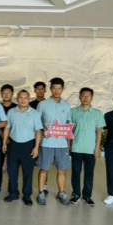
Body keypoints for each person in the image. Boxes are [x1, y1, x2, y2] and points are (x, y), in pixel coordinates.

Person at [2, 90, 42, 206]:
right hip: (13, 145)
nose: (23, 100)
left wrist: (36, 148)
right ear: (17, 99)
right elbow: (7, 128)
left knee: (28, 172)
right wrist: (4, 143)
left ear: (29, 99)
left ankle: (27, 195)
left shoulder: (35, 113)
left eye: (26, 98)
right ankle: (13, 193)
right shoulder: (11, 112)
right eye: (21, 98)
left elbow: (38, 132)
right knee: (12, 171)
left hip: (28, 145)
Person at [37, 78, 72, 206]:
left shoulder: (66, 105)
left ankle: (61, 193)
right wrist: (44, 129)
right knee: (44, 169)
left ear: (62, 89)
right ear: (50, 89)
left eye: (59, 88)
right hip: (47, 143)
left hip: (62, 144)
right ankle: (41, 192)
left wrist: (68, 136)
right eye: (54, 88)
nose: (56, 91)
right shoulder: (43, 104)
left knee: (62, 170)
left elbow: (68, 121)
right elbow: (37, 121)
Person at [70, 88, 106, 206]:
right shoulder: (72, 112)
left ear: (92, 98)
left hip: (90, 149)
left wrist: (97, 148)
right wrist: (69, 146)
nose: (85, 98)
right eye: (83, 96)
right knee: (76, 172)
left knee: (89, 173)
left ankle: (87, 196)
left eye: (88, 96)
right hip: (76, 147)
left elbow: (99, 131)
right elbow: (69, 130)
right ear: (79, 97)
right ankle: (76, 194)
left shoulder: (97, 113)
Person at [0, 84, 17, 194]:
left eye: (9, 93)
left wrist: (9, 137)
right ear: (1, 94)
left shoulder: (16, 108)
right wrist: (4, 136)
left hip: (13, 139)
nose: (6, 95)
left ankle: (12, 188)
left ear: (12, 94)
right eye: (4, 93)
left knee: (13, 165)